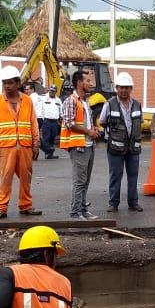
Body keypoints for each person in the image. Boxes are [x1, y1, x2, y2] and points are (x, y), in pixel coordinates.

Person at [0, 66, 42, 220]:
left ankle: (26, 205)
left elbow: (33, 123)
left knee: (26, 178)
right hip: (7, 147)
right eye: (4, 83)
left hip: (25, 146)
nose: (7, 86)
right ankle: (0, 208)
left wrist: (36, 143)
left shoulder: (27, 101)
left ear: (18, 83)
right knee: (5, 178)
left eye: (10, 83)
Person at [98, 72, 144, 213]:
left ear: (131, 89)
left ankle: (133, 202)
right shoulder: (109, 104)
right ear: (116, 88)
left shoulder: (137, 105)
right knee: (115, 176)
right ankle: (113, 203)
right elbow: (102, 122)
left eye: (127, 87)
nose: (124, 90)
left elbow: (139, 124)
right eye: (121, 87)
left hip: (133, 148)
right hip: (115, 148)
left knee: (133, 176)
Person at [60, 70, 100, 220]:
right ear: (79, 83)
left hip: (88, 145)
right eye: (88, 81)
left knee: (85, 180)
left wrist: (93, 129)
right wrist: (89, 132)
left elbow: (85, 122)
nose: (91, 84)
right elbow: (70, 123)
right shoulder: (71, 100)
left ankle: (83, 209)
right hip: (78, 146)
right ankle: (75, 212)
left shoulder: (85, 101)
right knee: (79, 180)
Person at [38, 85, 62, 160]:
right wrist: (41, 120)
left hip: (55, 122)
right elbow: (40, 109)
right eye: (51, 91)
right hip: (47, 121)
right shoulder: (44, 98)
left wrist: (61, 118)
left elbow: (60, 111)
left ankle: (50, 154)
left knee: (52, 138)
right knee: (46, 138)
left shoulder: (58, 100)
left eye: (53, 91)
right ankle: (47, 152)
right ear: (49, 91)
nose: (52, 92)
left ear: (55, 92)